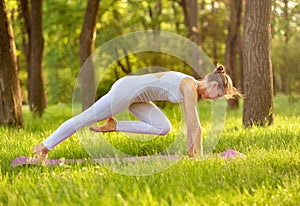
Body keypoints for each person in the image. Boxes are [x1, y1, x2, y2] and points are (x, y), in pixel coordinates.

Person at [33, 64, 240, 161]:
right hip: (127, 90)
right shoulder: (190, 86)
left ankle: (114, 125)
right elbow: (195, 127)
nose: (215, 99)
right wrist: (199, 157)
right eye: (218, 95)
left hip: (137, 96)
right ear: (212, 85)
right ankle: (44, 146)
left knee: (164, 127)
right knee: (85, 118)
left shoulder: (191, 88)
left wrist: (192, 153)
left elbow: (192, 126)